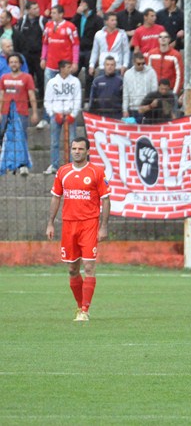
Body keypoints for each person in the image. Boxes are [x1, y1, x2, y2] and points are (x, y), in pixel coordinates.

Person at [46, 136, 110, 322]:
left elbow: (105, 200)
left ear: (88, 151)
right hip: (69, 225)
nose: (76, 152)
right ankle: (80, 307)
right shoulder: (63, 172)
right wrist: (50, 222)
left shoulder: (97, 172)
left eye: (81, 149)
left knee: (89, 266)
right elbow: (56, 197)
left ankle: (85, 310)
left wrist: (103, 226)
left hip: (89, 224)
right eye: (74, 148)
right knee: (73, 269)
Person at [0, 53, 38, 175]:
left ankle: (23, 164)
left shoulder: (27, 77)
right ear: (8, 64)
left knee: (21, 137)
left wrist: (35, 112)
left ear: (20, 64)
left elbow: (32, 96)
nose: (14, 64)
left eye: (16, 62)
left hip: (21, 111)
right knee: (7, 138)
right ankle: (8, 164)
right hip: (6, 112)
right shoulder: (4, 77)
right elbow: (1, 96)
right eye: (11, 62)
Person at [43, 60, 81, 173]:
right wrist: (52, 114)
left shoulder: (75, 81)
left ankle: (72, 165)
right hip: (56, 114)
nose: (71, 69)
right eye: (68, 67)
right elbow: (47, 100)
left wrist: (73, 114)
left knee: (72, 142)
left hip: (70, 114)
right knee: (54, 142)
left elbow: (77, 99)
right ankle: (54, 165)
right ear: (62, 68)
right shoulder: (52, 82)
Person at [122, 53, 157, 122]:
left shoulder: (151, 72)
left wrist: (150, 106)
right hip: (133, 109)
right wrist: (125, 110)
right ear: (133, 63)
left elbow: (154, 91)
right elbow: (125, 94)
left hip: (147, 109)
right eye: (138, 64)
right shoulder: (128, 74)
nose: (141, 65)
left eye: (143, 63)